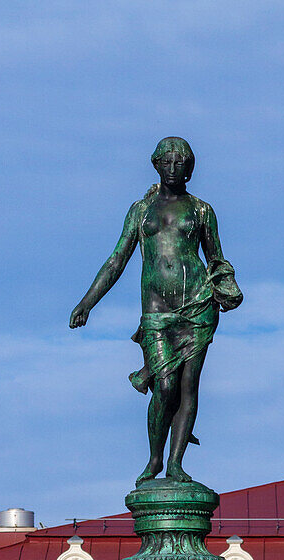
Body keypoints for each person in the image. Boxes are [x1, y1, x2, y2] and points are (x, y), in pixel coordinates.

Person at [69, 137, 242, 485]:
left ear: (189, 168)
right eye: (168, 162)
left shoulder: (202, 210)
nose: (174, 168)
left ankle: (176, 464)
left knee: (188, 386)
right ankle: (155, 459)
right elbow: (117, 259)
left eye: (181, 163)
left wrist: (226, 288)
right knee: (164, 387)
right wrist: (88, 302)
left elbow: (216, 259)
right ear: (157, 165)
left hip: (197, 306)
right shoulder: (140, 211)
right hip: (156, 311)